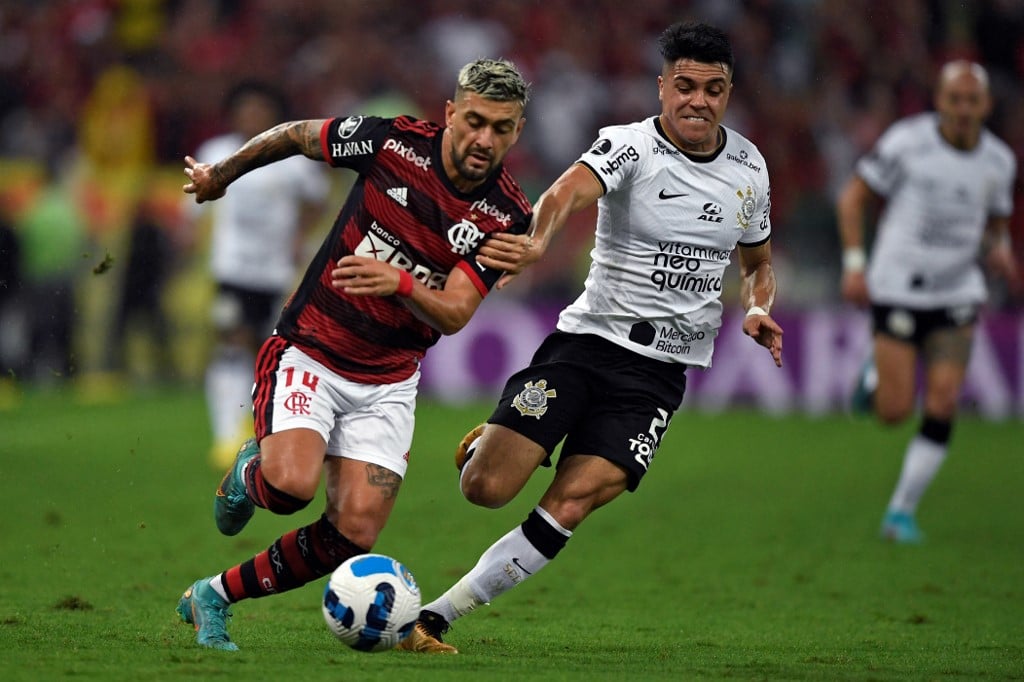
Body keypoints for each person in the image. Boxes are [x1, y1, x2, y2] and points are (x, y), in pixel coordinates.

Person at [399, 21, 782, 654]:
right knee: (484, 490)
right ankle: (497, 440)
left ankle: (437, 617)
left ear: (728, 93)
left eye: (713, 89)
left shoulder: (749, 168)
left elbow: (757, 261)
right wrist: (540, 238)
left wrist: (756, 307)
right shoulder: (630, 146)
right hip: (588, 344)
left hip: (657, 375)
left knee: (571, 504)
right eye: (685, 86)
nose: (698, 101)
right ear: (662, 88)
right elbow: (567, 190)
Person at [175, 58, 534, 651]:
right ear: (450, 114)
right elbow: (295, 135)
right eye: (473, 121)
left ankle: (212, 595)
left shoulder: (506, 215)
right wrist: (222, 174)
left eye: (500, 128)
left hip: (389, 380)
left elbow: (454, 312)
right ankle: (251, 471)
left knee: (355, 531)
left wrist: (397, 283)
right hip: (312, 348)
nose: (483, 139)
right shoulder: (391, 142)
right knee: (289, 486)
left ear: (516, 132)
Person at [835, 60, 1017, 544]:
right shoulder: (906, 143)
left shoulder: (999, 162)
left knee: (943, 399)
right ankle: (876, 375)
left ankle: (901, 512)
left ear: (986, 106)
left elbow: (996, 226)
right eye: (953, 99)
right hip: (898, 287)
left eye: (971, 101)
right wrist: (855, 264)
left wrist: (1001, 255)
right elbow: (852, 199)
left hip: (957, 291)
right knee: (894, 412)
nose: (961, 109)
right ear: (939, 100)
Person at [186, 81, 330, 469]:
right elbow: (196, 204)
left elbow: (318, 199)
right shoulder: (216, 152)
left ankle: (259, 428)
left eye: (260, 109)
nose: (252, 116)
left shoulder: (293, 160)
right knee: (230, 343)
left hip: (276, 272)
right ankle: (224, 435)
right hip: (232, 268)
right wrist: (189, 234)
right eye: (245, 108)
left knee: (268, 352)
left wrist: (303, 236)